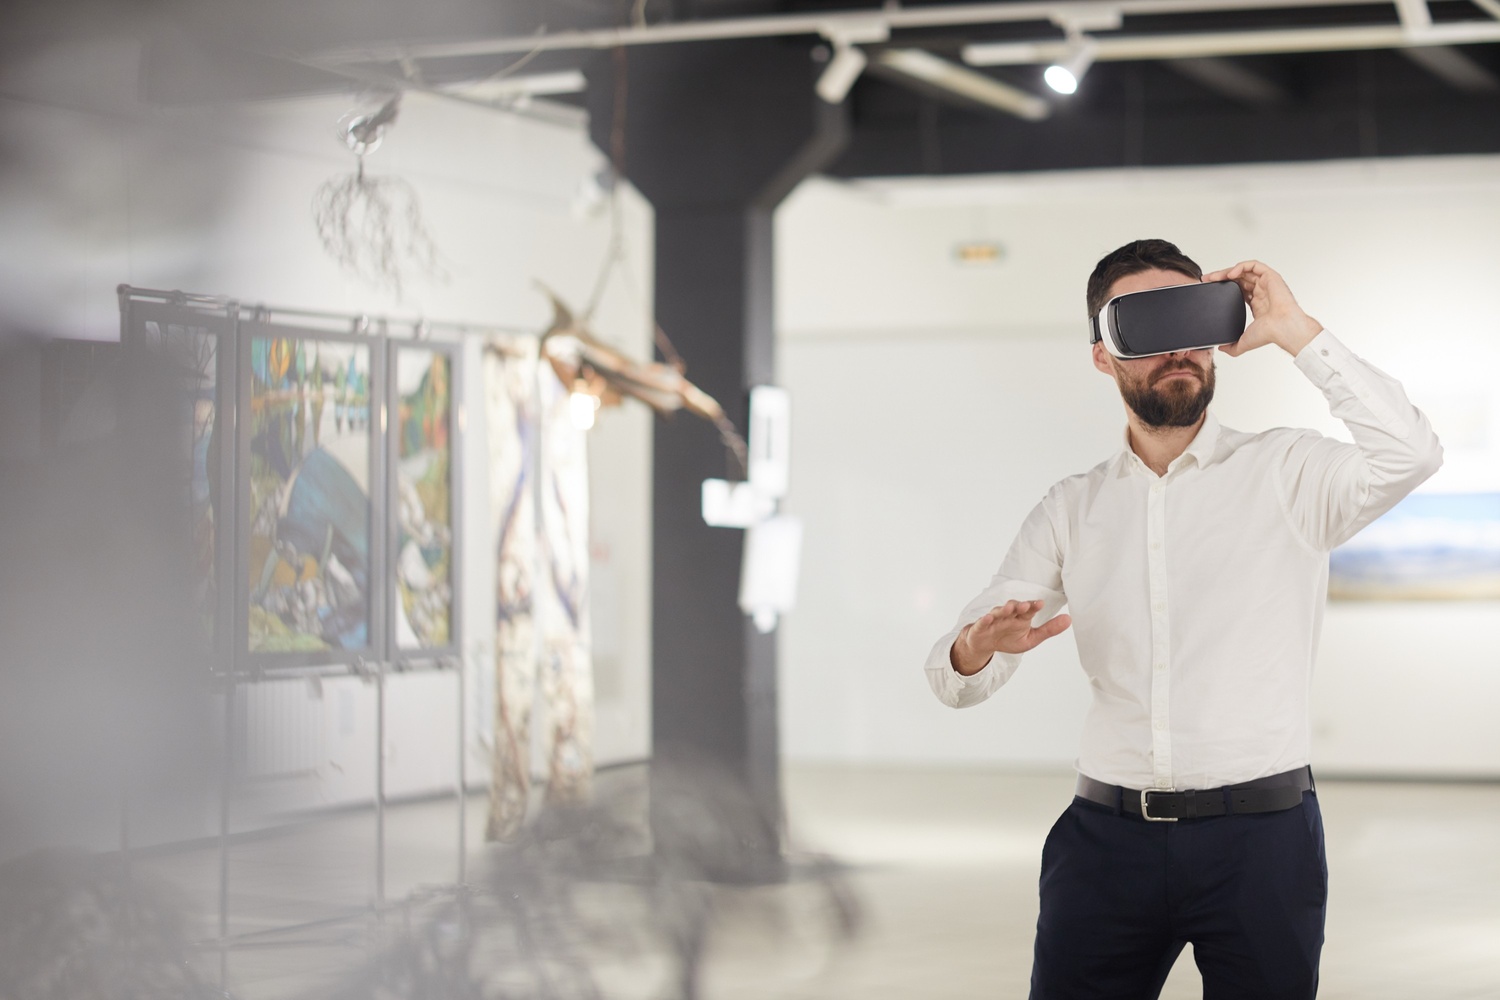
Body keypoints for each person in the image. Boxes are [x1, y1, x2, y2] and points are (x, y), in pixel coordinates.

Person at [924, 240, 1442, 1000]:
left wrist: (1297, 330)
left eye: (1190, 320)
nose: (1178, 349)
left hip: (1262, 845)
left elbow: (1411, 454)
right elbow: (958, 678)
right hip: (1104, 843)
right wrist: (976, 646)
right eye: (1146, 327)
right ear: (1103, 356)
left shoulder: (1289, 472)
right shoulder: (1071, 508)